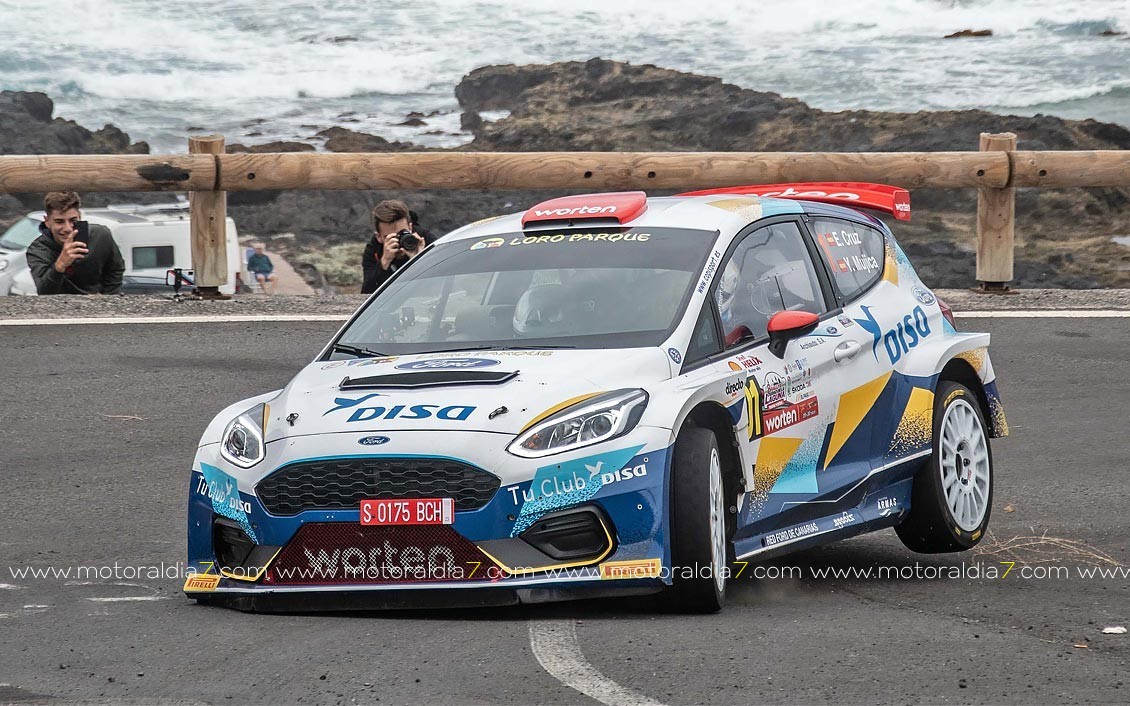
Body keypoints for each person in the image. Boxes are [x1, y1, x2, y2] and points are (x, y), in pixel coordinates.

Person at [25, 191, 125, 295]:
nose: (68, 228)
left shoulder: (100, 235)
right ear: (47, 221)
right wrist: (60, 265)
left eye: (73, 220)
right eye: (59, 222)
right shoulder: (37, 250)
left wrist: (107, 297)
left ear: (80, 216)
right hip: (61, 306)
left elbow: (116, 269)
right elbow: (44, 292)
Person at [360, 200, 435, 294]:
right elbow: (367, 293)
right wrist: (384, 263)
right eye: (390, 237)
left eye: (402, 233)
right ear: (378, 237)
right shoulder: (374, 250)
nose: (398, 240)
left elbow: (443, 284)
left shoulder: (425, 240)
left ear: (410, 228)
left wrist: (420, 261)